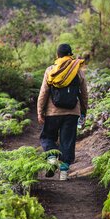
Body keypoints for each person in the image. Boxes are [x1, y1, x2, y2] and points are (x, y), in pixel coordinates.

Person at [37, 43, 88, 181]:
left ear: (57, 55)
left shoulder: (51, 70)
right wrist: (83, 112)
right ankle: (64, 173)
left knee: (47, 137)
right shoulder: (77, 70)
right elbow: (84, 94)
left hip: (52, 112)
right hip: (72, 113)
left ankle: (52, 158)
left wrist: (40, 112)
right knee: (67, 141)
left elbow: (43, 93)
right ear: (70, 54)